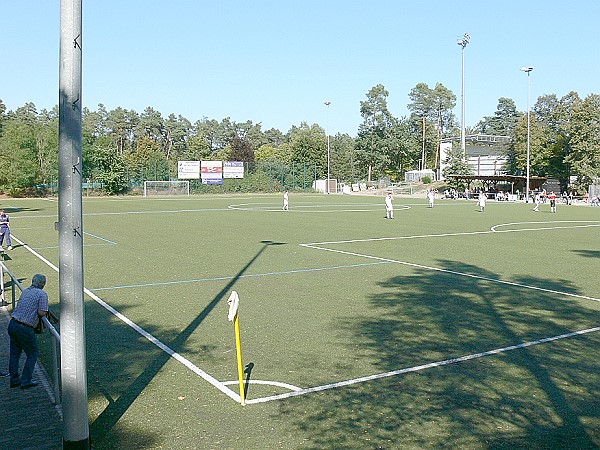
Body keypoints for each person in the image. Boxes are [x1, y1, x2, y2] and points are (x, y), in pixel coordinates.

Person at [8, 274, 49, 389]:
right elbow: (42, 312)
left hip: (13, 324)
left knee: (14, 355)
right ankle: (26, 380)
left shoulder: (26, 291)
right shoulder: (42, 294)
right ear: (43, 284)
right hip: (24, 328)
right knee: (33, 354)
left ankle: (14, 380)